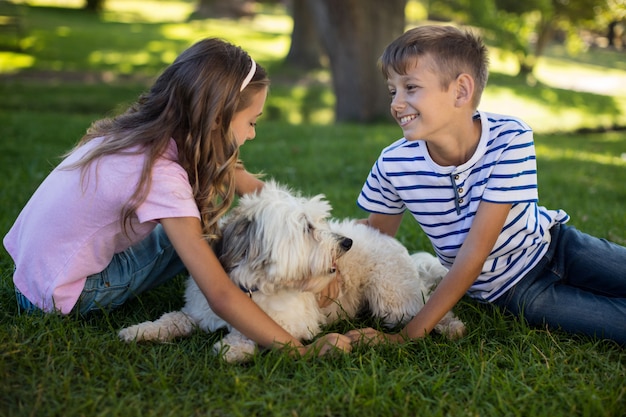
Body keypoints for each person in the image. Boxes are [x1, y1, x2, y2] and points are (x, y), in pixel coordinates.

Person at [3, 38, 351, 357]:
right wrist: (298, 351)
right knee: (204, 234)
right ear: (217, 119)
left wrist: (317, 239)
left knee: (205, 224)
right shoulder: (162, 176)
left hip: (29, 278)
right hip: (71, 293)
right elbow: (219, 294)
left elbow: (248, 184)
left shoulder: (131, 136)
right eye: (251, 122)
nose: (252, 134)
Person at [347, 25, 626, 346]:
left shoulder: (510, 138)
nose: (396, 103)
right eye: (392, 91)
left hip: (560, 246)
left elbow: (474, 254)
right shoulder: (393, 164)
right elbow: (377, 239)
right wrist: (323, 248)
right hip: (513, 290)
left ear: (461, 91)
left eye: (410, 87)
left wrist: (408, 335)